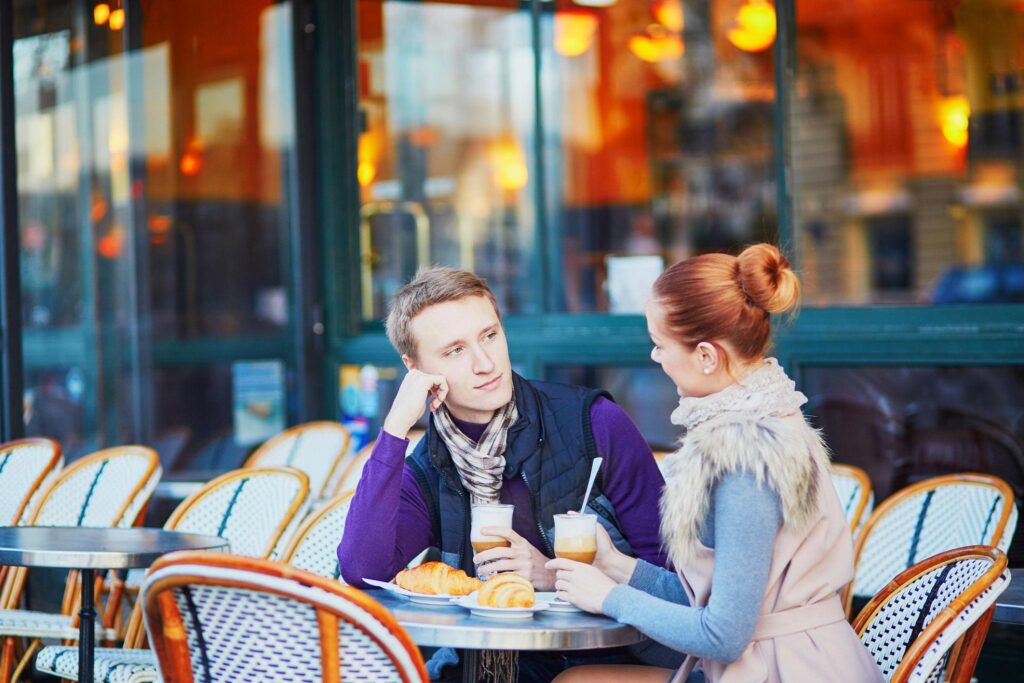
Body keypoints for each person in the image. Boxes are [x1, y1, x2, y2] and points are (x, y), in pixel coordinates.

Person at [547, 244, 885, 683]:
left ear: (706, 356)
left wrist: (610, 597)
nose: (655, 357)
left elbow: (724, 634)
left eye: (660, 344)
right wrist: (616, 566)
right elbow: (723, 602)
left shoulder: (746, 457)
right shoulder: (770, 420)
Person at [337, 266, 673, 680]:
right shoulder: (430, 465)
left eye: (490, 336)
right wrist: (394, 430)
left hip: (602, 662)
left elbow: (672, 577)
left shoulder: (593, 423)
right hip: (483, 663)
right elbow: (361, 570)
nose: (484, 363)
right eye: (455, 351)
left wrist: (548, 573)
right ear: (415, 367)